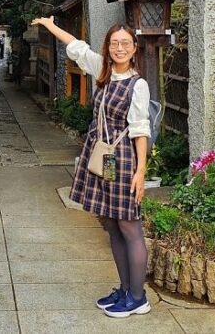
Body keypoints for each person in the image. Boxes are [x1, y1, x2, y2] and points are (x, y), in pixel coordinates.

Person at [31, 16, 152, 318]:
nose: (119, 48)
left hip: (123, 159)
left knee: (129, 225)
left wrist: (140, 172)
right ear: (108, 47)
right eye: (114, 43)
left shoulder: (138, 85)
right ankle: (125, 289)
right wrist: (50, 26)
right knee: (111, 222)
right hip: (103, 156)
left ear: (134, 48)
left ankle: (138, 298)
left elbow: (141, 130)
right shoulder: (103, 71)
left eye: (125, 43)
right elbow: (77, 47)